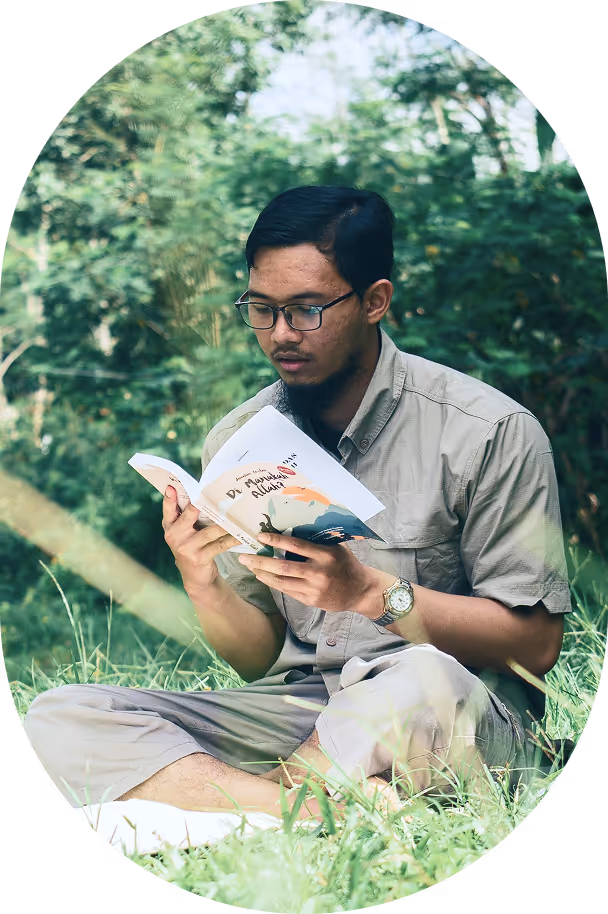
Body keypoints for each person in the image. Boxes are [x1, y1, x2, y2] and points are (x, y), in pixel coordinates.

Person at [23, 186, 571, 817]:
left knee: (421, 677)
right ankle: (321, 811)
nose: (280, 334)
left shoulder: (487, 431)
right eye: (261, 309)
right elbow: (261, 659)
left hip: (450, 710)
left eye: (307, 310)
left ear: (375, 301)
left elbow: (536, 646)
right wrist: (202, 580)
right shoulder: (240, 440)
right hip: (303, 711)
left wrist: (370, 594)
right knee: (61, 717)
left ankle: (258, 801)